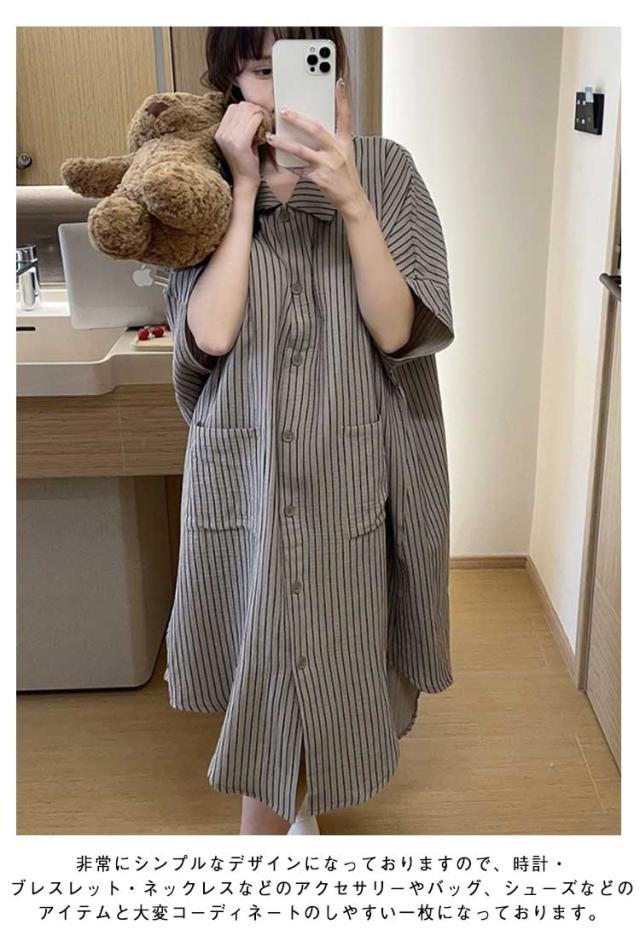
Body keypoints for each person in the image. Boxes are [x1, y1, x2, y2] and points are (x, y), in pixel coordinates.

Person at [162, 26, 455, 835]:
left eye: (311, 64)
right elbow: (209, 334)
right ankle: (284, 820)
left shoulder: (386, 170)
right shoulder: (200, 181)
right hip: (248, 460)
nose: (285, 88)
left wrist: (350, 195)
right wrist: (245, 191)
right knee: (266, 646)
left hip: (351, 457)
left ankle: (290, 816)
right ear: (231, 80)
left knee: (334, 643)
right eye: (264, 70)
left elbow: (397, 331)